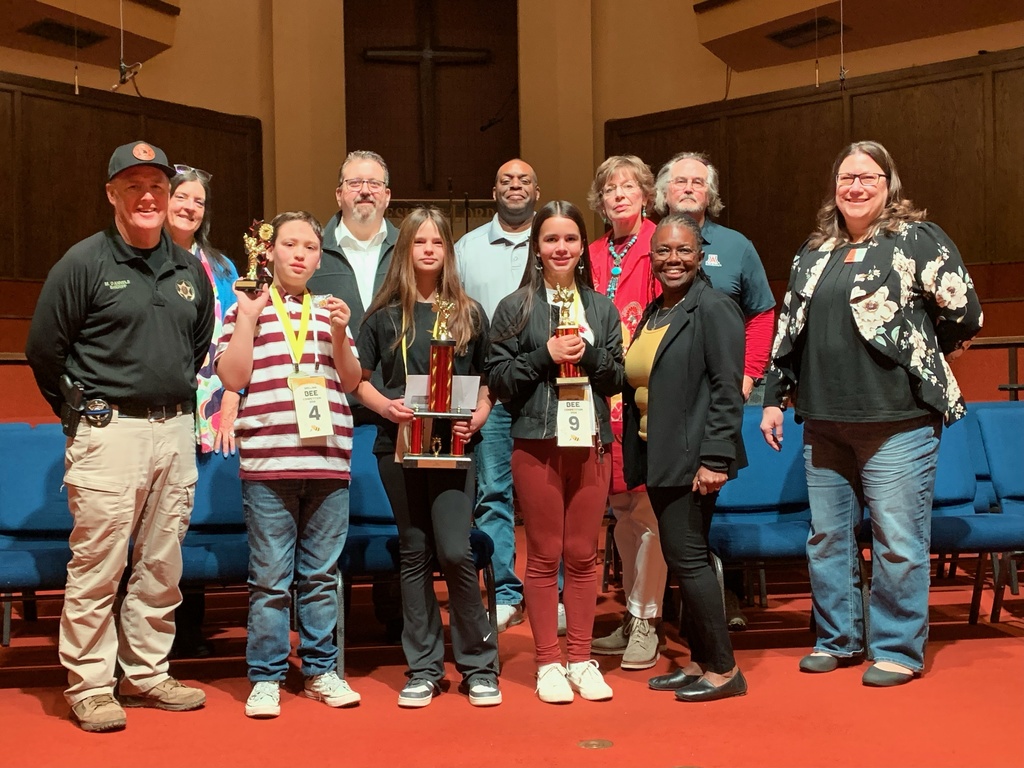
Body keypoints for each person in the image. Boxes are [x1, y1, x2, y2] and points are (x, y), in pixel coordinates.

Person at [760, 140, 983, 687]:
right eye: (846, 178)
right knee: (827, 538)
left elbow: (965, 311)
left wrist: (923, 352)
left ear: (889, 185)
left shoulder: (915, 239)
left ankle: (897, 649)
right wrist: (772, 398)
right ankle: (837, 640)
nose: (855, 187)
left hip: (898, 420)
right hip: (824, 420)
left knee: (899, 541)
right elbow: (789, 328)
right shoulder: (815, 250)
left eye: (868, 178)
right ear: (834, 187)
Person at [25, 140, 214, 732]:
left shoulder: (190, 270)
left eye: (157, 185)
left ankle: (147, 673)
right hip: (108, 433)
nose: (148, 196)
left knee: (161, 564)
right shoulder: (83, 262)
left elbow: (197, 346)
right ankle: (89, 683)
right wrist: (80, 413)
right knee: (99, 565)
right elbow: (43, 350)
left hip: (175, 430)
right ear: (112, 194)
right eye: (134, 186)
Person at [216, 211, 363, 718]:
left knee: (321, 576)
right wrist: (248, 318)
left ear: (320, 258)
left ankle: (322, 670)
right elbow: (233, 378)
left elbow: (350, 381)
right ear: (271, 252)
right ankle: (266, 677)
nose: (300, 254)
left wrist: (340, 334)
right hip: (268, 460)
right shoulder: (248, 307)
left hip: (328, 460)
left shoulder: (330, 311)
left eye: (310, 247)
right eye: (290, 244)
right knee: (270, 579)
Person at [354, 207, 501, 708]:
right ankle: (423, 669)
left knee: (456, 551)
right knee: (414, 550)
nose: (429, 250)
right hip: (398, 446)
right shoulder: (381, 316)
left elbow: (489, 381)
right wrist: (386, 407)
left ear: (448, 252)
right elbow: (358, 380)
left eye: (438, 242)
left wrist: (479, 415)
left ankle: (479, 666)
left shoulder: (468, 313)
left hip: (455, 447)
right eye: (420, 242)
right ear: (405, 250)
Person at [487, 201, 624, 704]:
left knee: (584, 554)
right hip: (536, 444)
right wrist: (544, 355)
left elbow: (616, 377)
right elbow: (499, 381)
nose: (560, 248)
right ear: (537, 247)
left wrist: (588, 354)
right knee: (544, 554)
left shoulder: (601, 308)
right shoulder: (515, 307)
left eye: (569, 239)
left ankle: (581, 659)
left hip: (590, 444)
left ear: (582, 246)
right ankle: (547, 662)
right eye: (550, 239)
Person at [622, 213, 749, 703]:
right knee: (681, 557)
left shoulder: (714, 308)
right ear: (651, 257)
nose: (672, 259)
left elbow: (726, 390)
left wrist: (715, 459)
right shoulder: (658, 311)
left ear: (699, 256)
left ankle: (725, 669)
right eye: (663, 251)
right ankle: (699, 660)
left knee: (689, 558)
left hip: (694, 459)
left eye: (683, 250)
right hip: (660, 455)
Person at [655, 151, 777, 630]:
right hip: (664, 411)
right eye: (680, 181)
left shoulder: (736, 245)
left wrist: (748, 374)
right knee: (671, 520)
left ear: (711, 194)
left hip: (721, 397)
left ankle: (719, 606)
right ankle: (671, 608)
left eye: (698, 182)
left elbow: (761, 313)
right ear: (663, 192)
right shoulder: (650, 243)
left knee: (707, 505)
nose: (689, 188)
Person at [306, 149, 403, 639]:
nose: (364, 191)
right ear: (338, 192)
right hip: (327, 405)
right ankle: (326, 627)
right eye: (354, 183)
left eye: (374, 183)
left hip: (396, 404)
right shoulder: (311, 248)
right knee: (325, 516)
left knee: (395, 513)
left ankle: (395, 619)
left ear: (387, 195)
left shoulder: (410, 247)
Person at [586, 155, 665, 670]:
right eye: (610, 188)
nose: (618, 195)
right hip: (599, 395)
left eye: (628, 186)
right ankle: (630, 614)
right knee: (619, 512)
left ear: (645, 194)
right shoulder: (591, 252)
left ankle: (646, 620)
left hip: (644, 393)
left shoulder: (661, 243)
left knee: (649, 511)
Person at [454, 158, 540, 632]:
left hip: (548, 388)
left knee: (549, 495)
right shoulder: (467, 248)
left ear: (536, 191)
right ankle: (505, 591)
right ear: (494, 191)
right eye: (506, 179)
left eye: (524, 180)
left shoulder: (551, 238)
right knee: (492, 493)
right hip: (490, 391)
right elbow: (455, 314)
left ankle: (551, 592)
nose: (515, 186)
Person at [165, 163, 241, 658]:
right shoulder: (142, 255)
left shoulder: (222, 266)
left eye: (199, 201)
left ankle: (190, 626)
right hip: (160, 397)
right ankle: (153, 634)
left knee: (195, 509)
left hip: (211, 402)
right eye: (182, 197)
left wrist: (233, 395)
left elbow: (238, 333)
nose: (190, 207)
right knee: (161, 514)